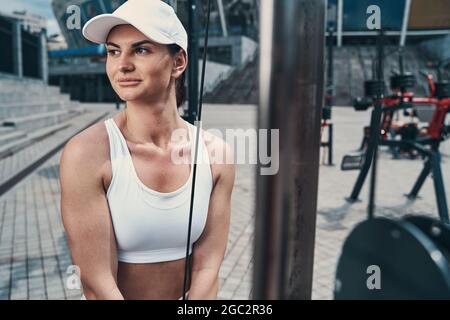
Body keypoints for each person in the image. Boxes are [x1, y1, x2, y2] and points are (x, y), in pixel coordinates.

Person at [59, 0, 235, 300]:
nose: (122, 64)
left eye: (141, 49)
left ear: (178, 62)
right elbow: (96, 282)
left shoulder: (217, 154)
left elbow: (208, 269)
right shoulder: (86, 154)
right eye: (114, 51)